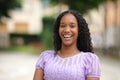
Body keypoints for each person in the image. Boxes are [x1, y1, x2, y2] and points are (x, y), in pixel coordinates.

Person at [33, 10, 101, 80]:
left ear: (79, 30)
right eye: (62, 26)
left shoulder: (90, 60)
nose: (67, 30)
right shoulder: (45, 57)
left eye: (72, 26)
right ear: (58, 30)